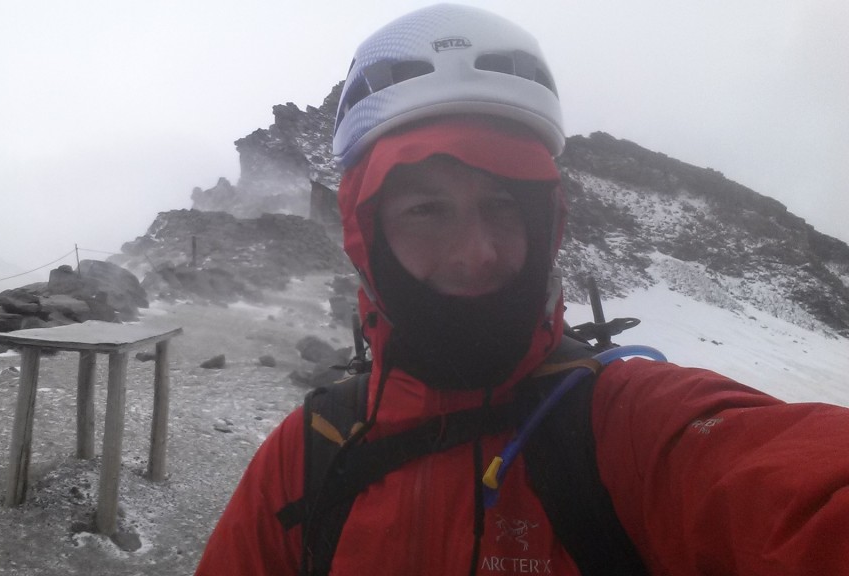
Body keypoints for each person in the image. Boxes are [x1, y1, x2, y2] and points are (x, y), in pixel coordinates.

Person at [195, 4, 849, 575]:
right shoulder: (310, 455)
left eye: (505, 204)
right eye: (427, 210)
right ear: (367, 234)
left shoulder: (629, 431)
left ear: (547, 222)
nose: (477, 253)